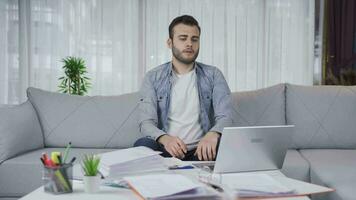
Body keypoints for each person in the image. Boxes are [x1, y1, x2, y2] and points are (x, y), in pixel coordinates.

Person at [135, 15, 233, 161]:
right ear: (170, 42)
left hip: (201, 152)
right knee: (142, 146)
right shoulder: (153, 77)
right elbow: (146, 122)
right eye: (183, 38)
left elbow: (226, 117)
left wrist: (213, 134)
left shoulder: (213, 75)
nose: (189, 44)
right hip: (166, 151)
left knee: (226, 147)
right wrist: (165, 139)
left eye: (194, 39)